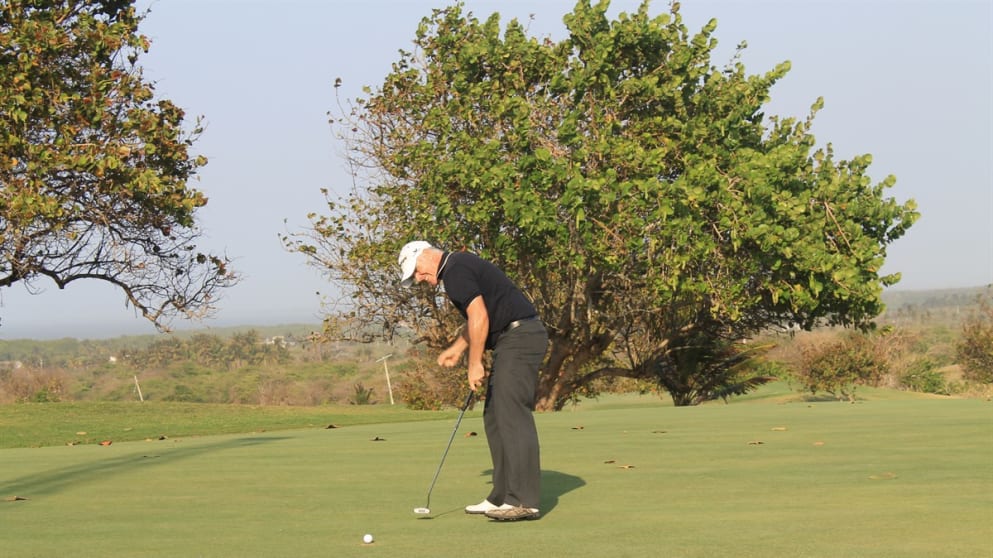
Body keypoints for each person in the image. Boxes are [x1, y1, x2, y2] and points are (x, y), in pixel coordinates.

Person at [398, 240, 548, 521]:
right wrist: (457, 348)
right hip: (513, 339)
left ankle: (524, 501)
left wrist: (474, 362)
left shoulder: (454, 271)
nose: (420, 280)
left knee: (512, 416)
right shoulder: (457, 266)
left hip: (521, 337)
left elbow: (479, 316)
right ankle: (502, 497)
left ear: (425, 256)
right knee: (495, 417)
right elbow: (477, 317)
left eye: (416, 272)